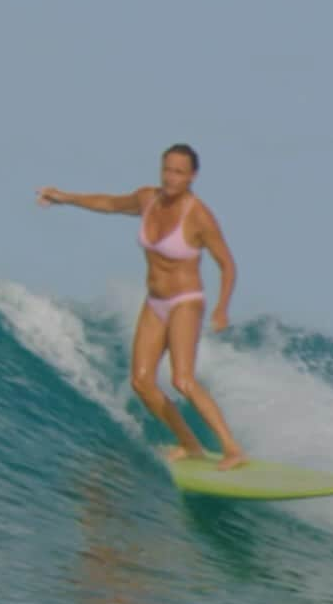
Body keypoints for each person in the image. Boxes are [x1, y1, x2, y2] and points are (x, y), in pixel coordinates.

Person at [37, 144, 247, 470]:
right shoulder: (148, 199)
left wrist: (222, 308)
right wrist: (65, 197)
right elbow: (109, 203)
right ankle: (191, 446)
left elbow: (228, 264)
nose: (171, 177)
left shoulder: (200, 217)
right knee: (142, 382)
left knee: (182, 380)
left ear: (192, 176)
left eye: (179, 172)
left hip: (185, 302)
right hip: (155, 301)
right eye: (167, 169)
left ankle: (233, 449)